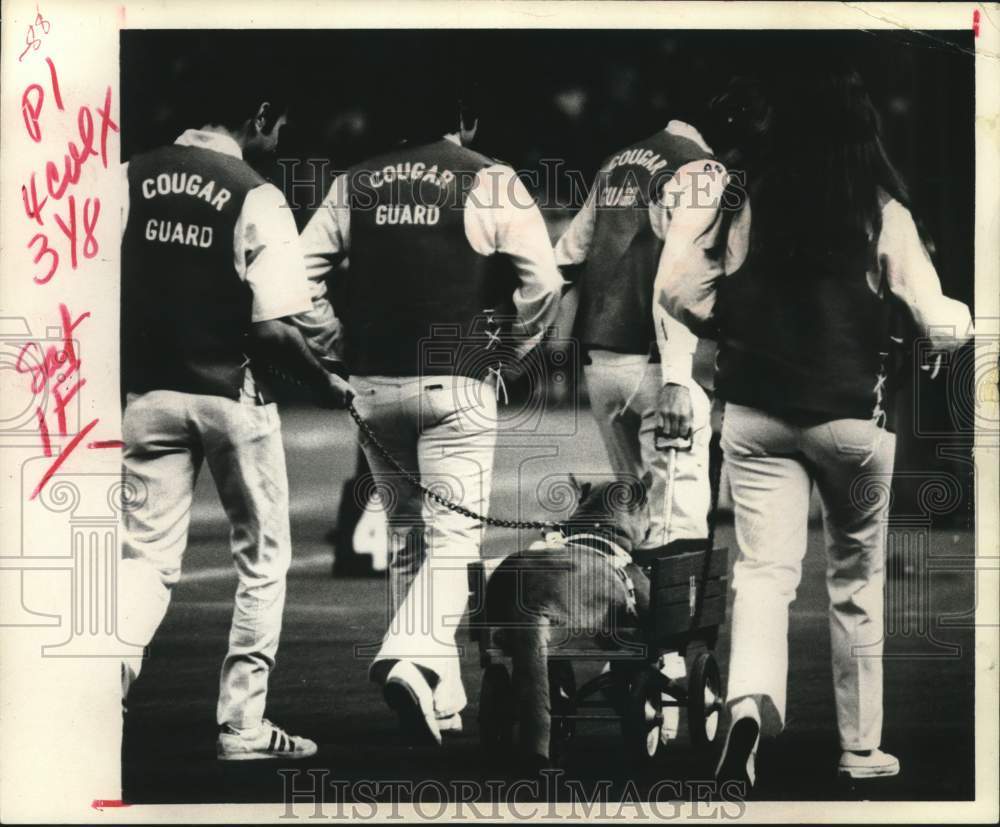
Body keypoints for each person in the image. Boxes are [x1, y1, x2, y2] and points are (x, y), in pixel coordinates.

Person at [654, 66, 973, 788]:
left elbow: (675, 288)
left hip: (755, 412)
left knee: (763, 572)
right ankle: (860, 749)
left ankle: (747, 705)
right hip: (853, 417)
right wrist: (958, 324)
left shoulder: (743, 195)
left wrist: (731, 325)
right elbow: (935, 315)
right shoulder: (880, 207)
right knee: (856, 581)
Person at [299, 88, 564, 745]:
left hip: (374, 385)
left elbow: (295, 278)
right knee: (453, 541)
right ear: (466, 120)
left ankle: (438, 699)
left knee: (408, 537)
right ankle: (410, 656)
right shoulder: (490, 177)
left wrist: (337, 345)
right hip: (458, 378)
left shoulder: (351, 183)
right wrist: (513, 351)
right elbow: (546, 282)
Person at [117, 78, 355, 761]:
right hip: (233, 394)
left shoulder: (124, 175)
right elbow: (276, 329)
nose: (278, 143)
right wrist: (326, 379)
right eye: (277, 128)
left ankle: (104, 685)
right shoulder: (255, 192)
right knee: (262, 560)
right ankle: (242, 726)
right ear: (258, 115)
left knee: (147, 559)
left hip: (147, 396)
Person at [553, 119, 717, 741]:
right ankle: (669, 677)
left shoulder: (615, 162)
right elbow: (682, 275)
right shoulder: (698, 169)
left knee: (634, 520)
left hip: (604, 367)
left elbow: (566, 257)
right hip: (658, 368)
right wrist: (680, 373)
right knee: (677, 525)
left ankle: (631, 655)